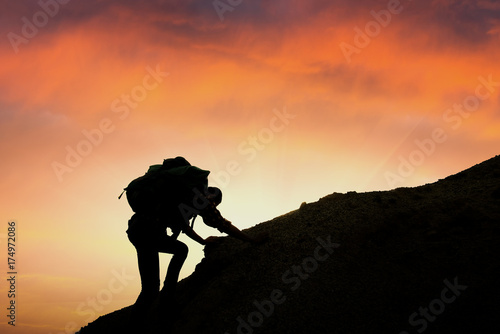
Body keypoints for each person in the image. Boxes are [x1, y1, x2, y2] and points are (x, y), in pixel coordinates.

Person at [124, 157, 264, 323]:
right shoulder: (202, 198)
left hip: (137, 230)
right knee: (181, 250)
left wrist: (203, 241)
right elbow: (222, 224)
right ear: (213, 197)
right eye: (215, 205)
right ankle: (167, 300)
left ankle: (134, 327)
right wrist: (252, 240)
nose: (213, 207)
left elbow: (183, 227)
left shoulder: (179, 197)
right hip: (149, 231)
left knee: (150, 289)